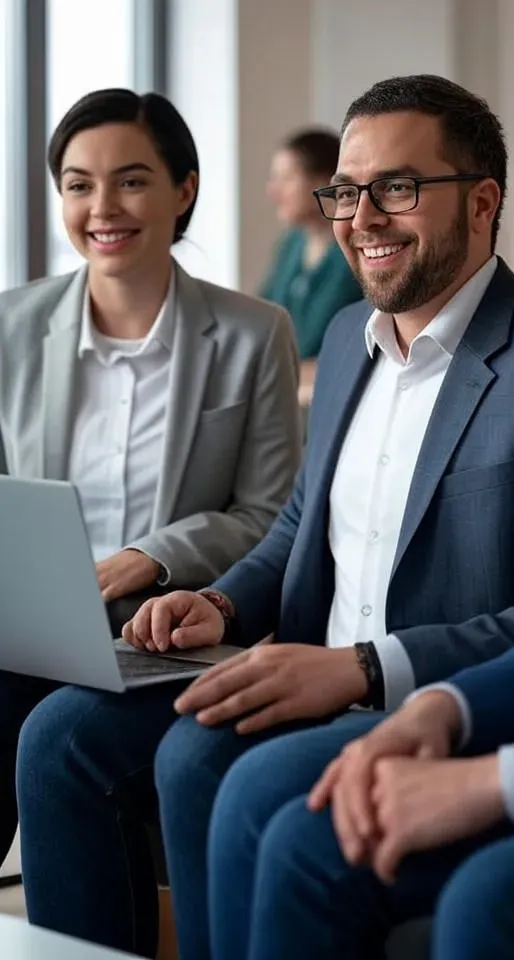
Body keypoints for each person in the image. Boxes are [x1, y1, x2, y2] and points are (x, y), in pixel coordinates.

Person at [17, 75, 514, 958]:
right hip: (300, 668)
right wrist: (218, 603)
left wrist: (362, 669)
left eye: (397, 188)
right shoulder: (343, 339)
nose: (361, 218)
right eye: (345, 191)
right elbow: (300, 527)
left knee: (196, 758)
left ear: (484, 202)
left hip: (426, 696)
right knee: (60, 736)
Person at [201, 22, 514, 960]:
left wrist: (493, 772)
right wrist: (448, 712)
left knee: (490, 901)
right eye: (347, 193)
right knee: (281, 825)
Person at [0, 86, 300, 905]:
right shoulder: (12, 328)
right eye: (78, 185)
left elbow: (271, 514)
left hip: (165, 635)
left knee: (56, 735)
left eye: (131, 180)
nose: (103, 207)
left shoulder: (254, 333)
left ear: (184, 189)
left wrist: (151, 557)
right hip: (31, 629)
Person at [260, 128, 362, 403]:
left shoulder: (357, 251)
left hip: (332, 392)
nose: (273, 192)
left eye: (287, 178)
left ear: (323, 183)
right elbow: (263, 316)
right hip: (287, 387)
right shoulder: (292, 244)